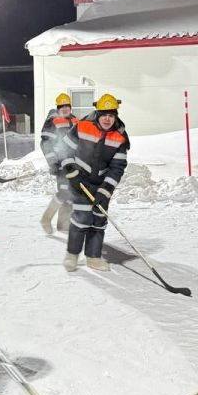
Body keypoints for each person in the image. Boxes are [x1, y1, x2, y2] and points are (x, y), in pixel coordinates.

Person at [58, 93, 130, 272]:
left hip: (101, 184)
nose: (107, 118)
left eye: (111, 115)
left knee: (99, 220)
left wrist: (104, 192)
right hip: (79, 180)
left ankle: (93, 258)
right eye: (104, 114)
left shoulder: (120, 137)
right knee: (82, 218)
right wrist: (71, 171)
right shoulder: (82, 126)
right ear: (98, 114)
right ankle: (72, 256)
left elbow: (117, 168)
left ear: (115, 116)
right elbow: (65, 149)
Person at [38, 93, 78, 234]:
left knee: (71, 193)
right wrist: (53, 162)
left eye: (67, 106)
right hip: (60, 163)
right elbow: (45, 144)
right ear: (58, 108)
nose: (65, 109)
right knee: (63, 192)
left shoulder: (75, 120)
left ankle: (62, 225)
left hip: (73, 164)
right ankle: (46, 219)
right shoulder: (52, 121)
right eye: (62, 107)